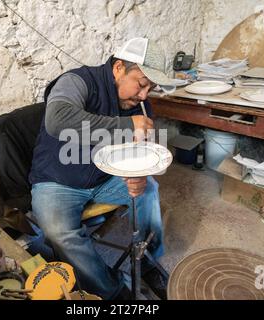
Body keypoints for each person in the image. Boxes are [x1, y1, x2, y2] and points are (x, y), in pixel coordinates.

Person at [29, 37, 176, 300]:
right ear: (118, 68)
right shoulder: (78, 81)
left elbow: (140, 150)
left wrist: (137, 174)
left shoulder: (138, 103)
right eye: (141, 84)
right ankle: (112, 290)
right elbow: (57, 120)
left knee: (149, 189)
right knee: (58, 232)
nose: (144, 95)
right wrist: (128, 126)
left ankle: (148, 261)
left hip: (106, 176)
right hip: (58, 179)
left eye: (150, 88)